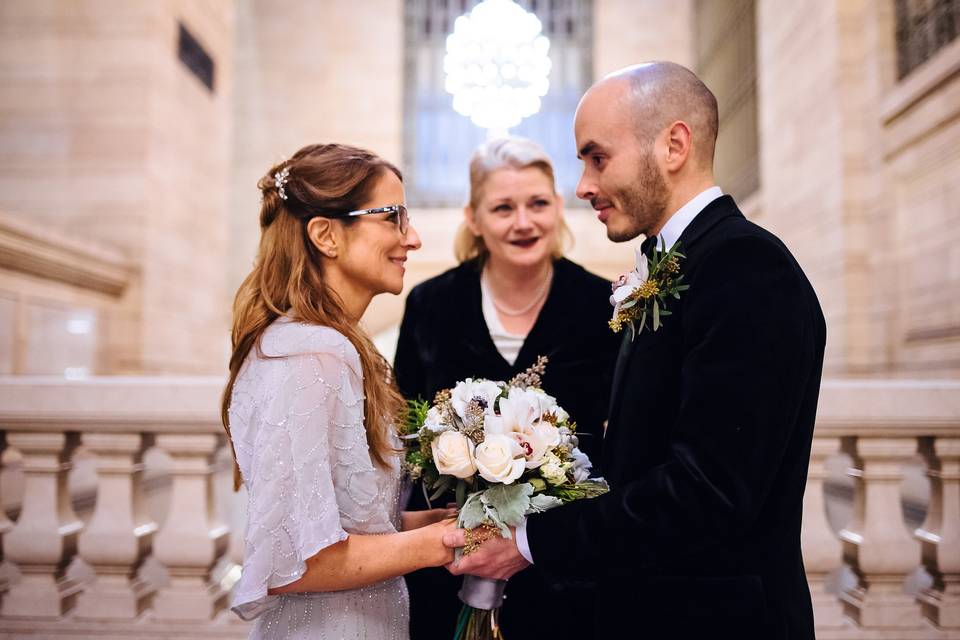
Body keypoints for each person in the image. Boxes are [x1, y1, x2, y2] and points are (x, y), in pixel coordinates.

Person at [445, 62, 826, 640]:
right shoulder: (681, 264)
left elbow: (708, 493)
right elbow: (641, 453)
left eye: (598, 158)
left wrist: (529, 542)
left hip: (719, 621)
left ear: (674, 145)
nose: (584, 186)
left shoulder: (746, 268)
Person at [222, 143, 457, 640]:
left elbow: (341, 522)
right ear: (326, 234)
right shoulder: (310, 353)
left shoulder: (338, 347)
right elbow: (297, 562)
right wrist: (446, 540)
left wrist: (420, 523)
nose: (411, 238)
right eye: (392, 217)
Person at [394, 137, 620, 639]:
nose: (523, 222)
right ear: (473, 218)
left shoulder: (600, 307)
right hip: (446, 560)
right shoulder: (431, 305)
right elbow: (403, 431)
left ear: (559, 208)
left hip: (564, 568)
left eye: (538, 203)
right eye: (503, 208)